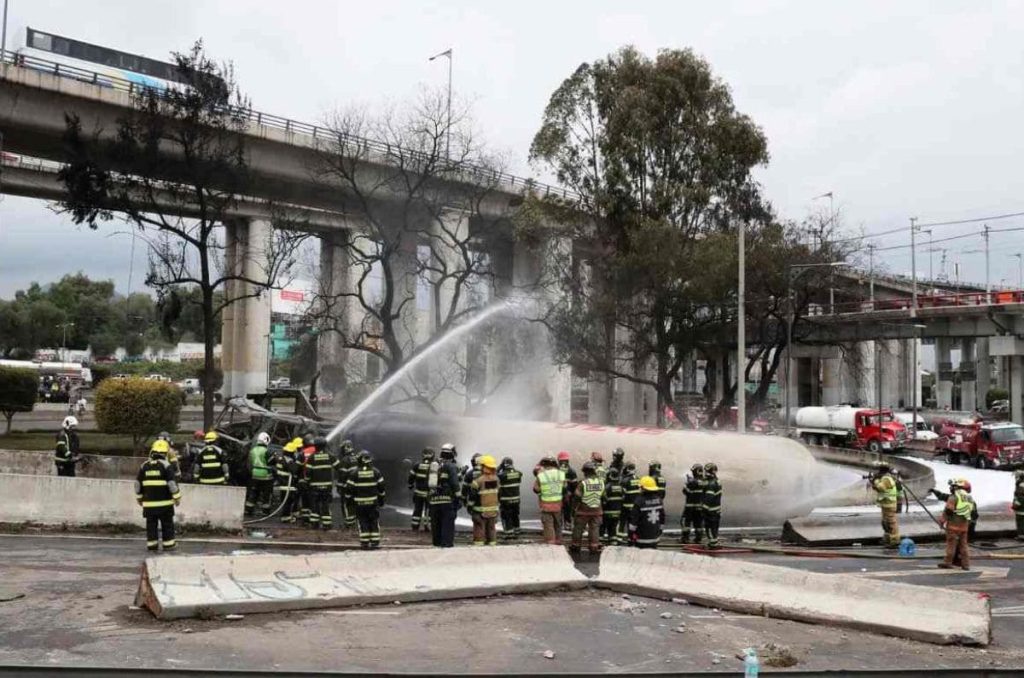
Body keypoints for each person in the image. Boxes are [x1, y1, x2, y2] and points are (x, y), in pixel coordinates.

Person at [135, 440, 181, 552]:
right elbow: (172, 484)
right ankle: (169, 545)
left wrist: (139, 498)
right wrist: (177, 497)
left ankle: (152, 545)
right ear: (165, 453)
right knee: (167, 525)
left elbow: (137, 484)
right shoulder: (166, 466)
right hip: (165, 505)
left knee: (151, 525)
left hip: (149, 505)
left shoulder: (144, 466)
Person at [346, 450, 386, 549]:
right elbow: (382, 487)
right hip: (373, 503)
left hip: (360, 504)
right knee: (374, 521)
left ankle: (364, 543)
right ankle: (375, 542)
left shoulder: (354, 473)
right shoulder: (376, 472)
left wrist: (349, 501)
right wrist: (381, 500)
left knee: (362, 521)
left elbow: (349, 489)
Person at [938, 477, 976, 570]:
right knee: (964, 545)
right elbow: (973, 513)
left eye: (953, 486)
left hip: (953, 526)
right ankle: (966, 564)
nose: (951, 488)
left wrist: (942, 521)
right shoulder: (970, 499)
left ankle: (947, 562)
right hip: (964, 527)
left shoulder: (954, 497)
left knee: (951, 545)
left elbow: (948, 511)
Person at [305, 437, 339, 530]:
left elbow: (308, 472)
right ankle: (327, 524)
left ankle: (314, 524)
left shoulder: (312, 457)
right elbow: (338, 467)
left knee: (315, 505)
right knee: (325, 505)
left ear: (316, 446)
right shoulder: (330, 456)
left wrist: (307, 481)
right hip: (327, 486)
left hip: (314, 487)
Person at [430, 444, 461, 547]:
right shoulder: (451, 466)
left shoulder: (434, 464)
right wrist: (458, 497)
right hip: (447, 500)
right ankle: (446, 543)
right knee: (447, 522)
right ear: (452, 454)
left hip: (434, 499)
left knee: (436, 522)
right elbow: (454, 483)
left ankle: (436, 542)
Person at [571, 461, 605, 554]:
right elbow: (603, 496)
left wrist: (573, 509)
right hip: (597, 510)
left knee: (578, 528)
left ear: (586, 472)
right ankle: (594, 547)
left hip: (583, 511)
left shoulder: (583, 483)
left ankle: (576, 546)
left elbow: (577, 496)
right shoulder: (601, 482)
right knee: (594, 529)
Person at [534, 455, 566, 545]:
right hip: (558, 504)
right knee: (558, 524)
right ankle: (559, 541)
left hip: (546, 505)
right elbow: (564, 487)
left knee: (548, 525)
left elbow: (536, 489)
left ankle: (551, 544)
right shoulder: (561, 474)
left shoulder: (541, 475)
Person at [470, 455, 501, 546]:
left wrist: (469, 506)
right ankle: (492, 546)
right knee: (491, 529)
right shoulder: (497, 479)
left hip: (480, 511)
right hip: (493, 511)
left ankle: (479, 547)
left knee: (479, 529)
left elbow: (472, 496)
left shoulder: (478, 481)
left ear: (483, 466)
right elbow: (498, 494)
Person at [629, 475, 666, 549]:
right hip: (655, 538)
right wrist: (660, 530)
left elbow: (634, 521)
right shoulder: (659, 500)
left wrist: (631, 534)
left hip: (641, 539)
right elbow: (663, 517)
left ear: (643, 488)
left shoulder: (639, 501)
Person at [870, 462, 900, 549]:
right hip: (886, 504)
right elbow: (879, 489)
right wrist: (874, 483)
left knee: (891, 523)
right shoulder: (885, 477)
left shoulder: (886, 478)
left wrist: (875, 480)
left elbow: (881, 488)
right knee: (885, 522)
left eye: (879, 470)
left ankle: (894, 541)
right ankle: (887, 539)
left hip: (889, 504)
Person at [244, 432, 274, 517]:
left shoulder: (253, 450)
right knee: (266, 495)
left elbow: (249, 463)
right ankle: (265, 511)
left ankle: (248, 510)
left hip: (255, 474)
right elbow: (271, 463)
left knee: (253, 493)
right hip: (266, 476)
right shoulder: (267, 451)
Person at [272, 438, 301, 523]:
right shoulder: (288, 460)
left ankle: (286, 517)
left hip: (283, 483)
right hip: (288, 484)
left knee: (286, 502)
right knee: (288, 502)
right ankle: (286, 518)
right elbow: (294, 470)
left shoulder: (281, 459)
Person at [408, 447, 435, 531]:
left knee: (417, 510)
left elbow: (411, 478)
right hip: (429, 493)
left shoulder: (417, 465)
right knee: (429, 511)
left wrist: (410, 485)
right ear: (432, 455)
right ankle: (428, 527)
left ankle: (415, 526)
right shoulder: (435, 466)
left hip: (418, 493)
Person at [497, 456, 522, 540]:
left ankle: (509, 533)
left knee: (506, 516)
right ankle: (517, 531)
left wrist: (500, 467)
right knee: (515, 515)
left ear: (504, 465)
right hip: (516, 499)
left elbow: (495, 475)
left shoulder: (502, 475)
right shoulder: (518, 473)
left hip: (505, 500)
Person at [680, 463, 706, 544]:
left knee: (685, 522)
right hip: (700, 507)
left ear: (696, 471)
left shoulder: (691, 482)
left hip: (690, 507)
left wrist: (687, 482)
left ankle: (685, 538)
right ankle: (698, 538)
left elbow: (685, 491)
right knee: (698, 523)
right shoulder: (705, 481)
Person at [617, 461, 640, 544]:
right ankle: (631, 539)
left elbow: (622, 495)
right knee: (632, 524)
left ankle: (619, 539)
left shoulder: (624, 481)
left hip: (625, 506)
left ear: (627, 469)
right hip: (636, 507)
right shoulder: (638, 479)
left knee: (622, 523)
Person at [337, 440, 358, 530]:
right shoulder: (357, 457)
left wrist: (339, 487)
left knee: (346, 504)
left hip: (347, 487)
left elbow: (343, 475)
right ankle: (355, 522)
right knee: (354, 504)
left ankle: (348, 524)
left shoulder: (345, 460)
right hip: (357, 487)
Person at [600, 468, 624, 545]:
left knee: (603, 527)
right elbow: (623, 497)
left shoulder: (607, 487)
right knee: (613, 528)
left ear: (610, 476)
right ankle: (613, 542)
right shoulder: (621, 487)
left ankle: (600, 541)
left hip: (607, 512)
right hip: (617, 512)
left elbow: (604, 499)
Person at [702, 462, 722, 549]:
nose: (705, 474)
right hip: (717, 509)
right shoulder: (717, 481)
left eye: (706, 471)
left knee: (709, 526)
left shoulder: (711, 484)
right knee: (715, 526)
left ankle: (712, 544)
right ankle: (715, 541)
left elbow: (708, 498)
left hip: (710, 510)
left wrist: (704, 509)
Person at [558, 451, 579, 531]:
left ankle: (561, 524)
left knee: (563, 510)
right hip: (567, 494)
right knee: (567, 509)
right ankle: (567, 524)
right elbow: (575, 484)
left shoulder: (557, 471)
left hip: (561, 494)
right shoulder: (571, 471)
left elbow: (574, 484)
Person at [1014, 469, 1024, 541]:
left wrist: (1015, 505)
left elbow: (1020, 497)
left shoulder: (1021, 485)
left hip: (1021, 508)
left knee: (1020, 522)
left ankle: (1021, 536)